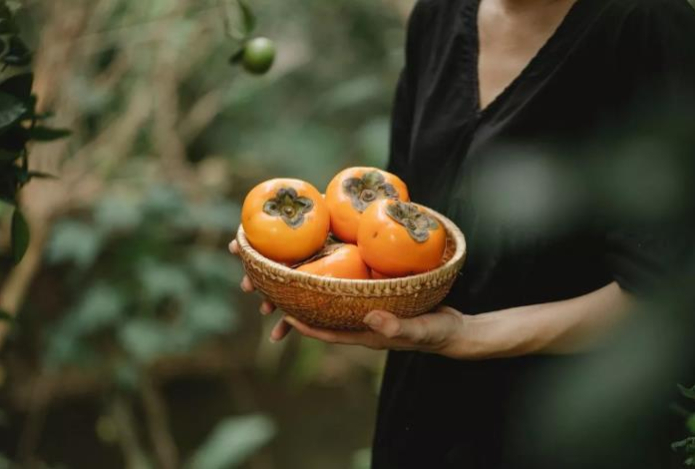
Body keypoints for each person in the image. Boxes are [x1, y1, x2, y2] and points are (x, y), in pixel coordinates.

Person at [230, 0, 695, 467]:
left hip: (575, 435)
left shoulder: (647, 22)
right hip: (423, 418)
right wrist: (304, 272)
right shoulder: (437, 16)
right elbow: (385, 224)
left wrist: (470, 335)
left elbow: (666, 295)